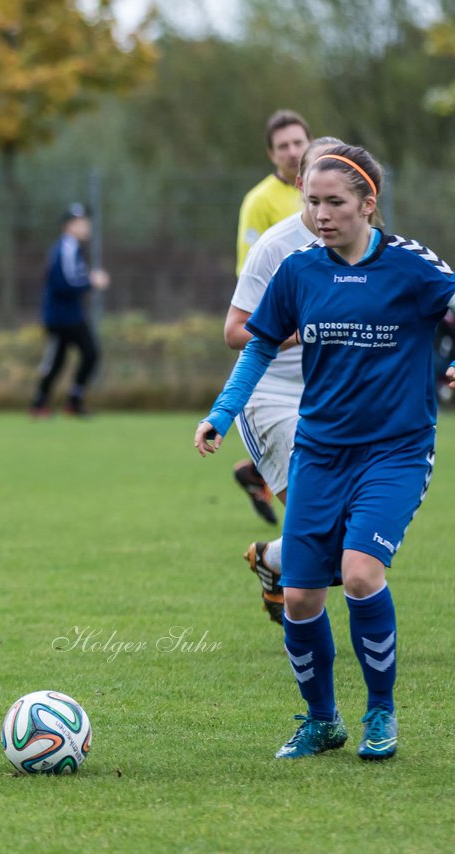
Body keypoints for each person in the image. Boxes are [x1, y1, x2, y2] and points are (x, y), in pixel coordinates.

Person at [195, 144, 455, 761]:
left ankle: (381, 714)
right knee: (304, 595)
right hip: (321, 451)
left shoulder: (411, 267)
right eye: (312, 202)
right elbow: (256, 346)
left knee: (362, 573)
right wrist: (220, 414)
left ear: (369, 204)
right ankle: (322, 721)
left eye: (335, 202)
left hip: (394, 453)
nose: (321, 215)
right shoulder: (300, 270)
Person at [225, 136, 345, 624]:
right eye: (316, 188)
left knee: (346, 532)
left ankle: (273, 559)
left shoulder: (364, 243)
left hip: (335, 397)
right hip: (272, 398)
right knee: (324, 530)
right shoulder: (276, 246)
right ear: (301, 184)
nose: (325, 203)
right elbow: (235, 332)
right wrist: (301, 331)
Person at [232, 109, 313, 525]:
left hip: (322, 353)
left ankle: (255, 471)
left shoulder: (326, 188)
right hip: (283, 344)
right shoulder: (260, 202)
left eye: (298, 142)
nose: (292, 151)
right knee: (316, 508)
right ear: (271, 154)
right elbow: (251, 279)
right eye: (283, 146)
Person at [29, 204, 110, 417]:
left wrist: (87, 280)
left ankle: (53, 402)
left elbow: (72, 279)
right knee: (84, 354)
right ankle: (54, 402)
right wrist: (92, 281)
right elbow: (63, 283)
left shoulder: (73, 249)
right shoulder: (65, 248)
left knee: (65, 359)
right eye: (81, 223)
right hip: (62, 317)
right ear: (69, 226)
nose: (86, 226)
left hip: (69, 315)